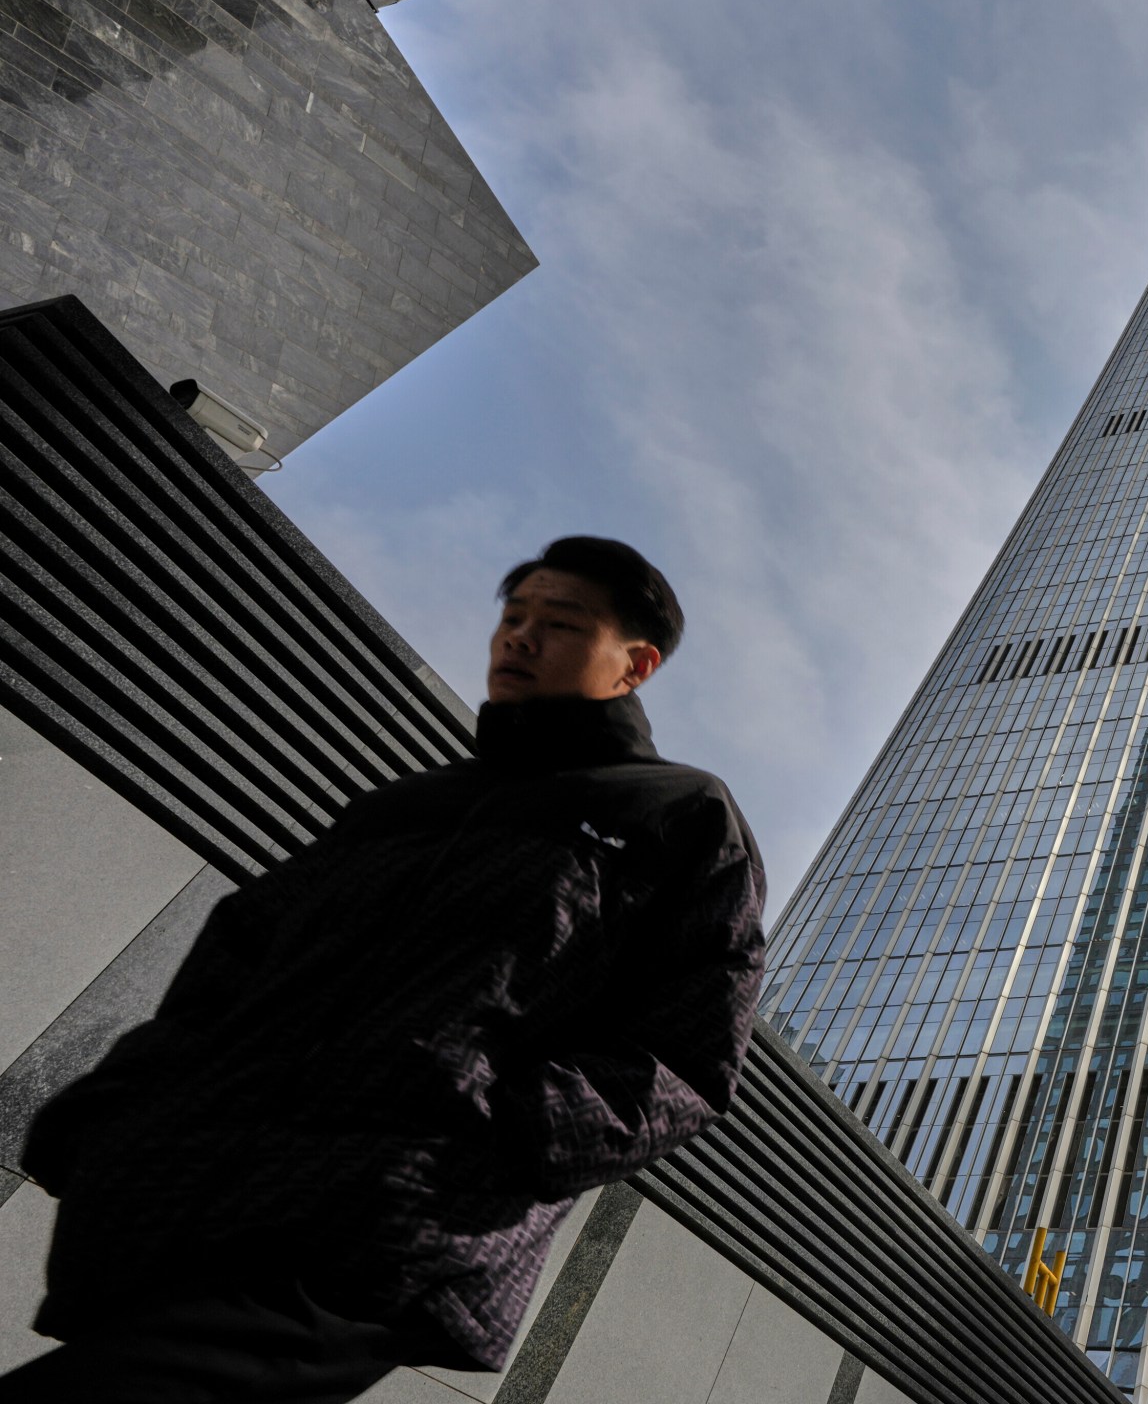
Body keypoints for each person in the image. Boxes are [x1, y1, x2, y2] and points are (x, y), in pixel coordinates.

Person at [2, 537, 765, 1403]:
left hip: (388, 1220)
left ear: (636, 664)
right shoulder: (404, 807)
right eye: (513, 617)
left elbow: (684, 1059)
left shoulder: (677, 814)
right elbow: (226, 973)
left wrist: (483, 1130)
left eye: (559, 624)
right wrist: (113, 1113)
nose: (518, 638)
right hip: (176, 1196)